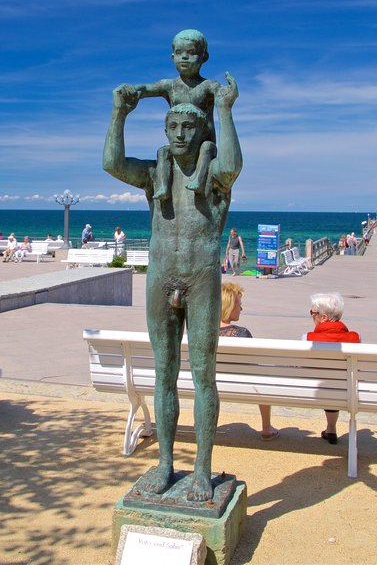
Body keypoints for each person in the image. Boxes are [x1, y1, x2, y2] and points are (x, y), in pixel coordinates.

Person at [104, 55, 242, 501]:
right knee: (163, 375)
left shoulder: (215, 176)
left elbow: (234, 163)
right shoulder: (153, 174)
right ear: (165, 132)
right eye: (174, 128)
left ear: (202, 133)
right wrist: (119, 113)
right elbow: (111, 162)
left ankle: (202, 469)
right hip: (161, 277)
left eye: (189, 128)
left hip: (200, 278)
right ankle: (165, 464)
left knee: (203, 375)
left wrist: (224, 108)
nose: (181, 134)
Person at [117, 29, 220, 200]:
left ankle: (199, 180)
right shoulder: (169, 86)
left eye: (191, 53)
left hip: (202, 141)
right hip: (180, 143)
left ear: (204, 57)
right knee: (163, 151)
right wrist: (133, 90)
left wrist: (227, 95)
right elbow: (147, 89)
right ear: (173, 57)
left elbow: (222, 94)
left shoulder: (208, 86)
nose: (184, 57)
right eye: (179, 53)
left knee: (207, 147)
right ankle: (164, 186)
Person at [219, 282, 277, 440]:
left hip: (207, 384)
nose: (242, 309)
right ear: (229, 306)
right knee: (262, 380)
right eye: (239, 304)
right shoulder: (242, 334)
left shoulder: (202, 333)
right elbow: (254, 366)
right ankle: (266, 427)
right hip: (242, 387)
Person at [303, 292, 361, 445]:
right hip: (345, 391)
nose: (311, 315)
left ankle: (330, 429)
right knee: (335, 383)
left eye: (313, 313)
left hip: (310, 390)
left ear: (324, 318)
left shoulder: (307, 338)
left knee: (328, 382)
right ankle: (331, 428)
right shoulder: (355, 338)